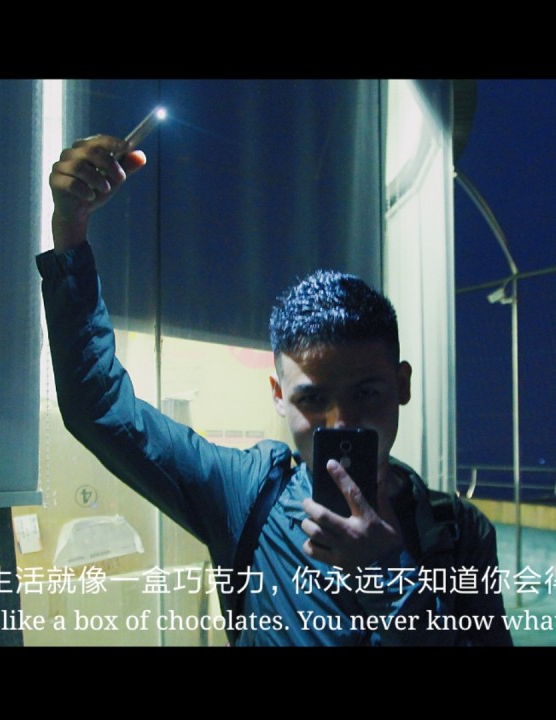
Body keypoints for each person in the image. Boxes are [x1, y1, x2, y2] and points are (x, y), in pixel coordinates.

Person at [36, 134, 513, 647]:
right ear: (279, 396)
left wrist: (387, 579)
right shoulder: (246, 494)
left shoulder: (459, 533)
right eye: (313, 399)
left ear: (402, 385)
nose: (341, 422)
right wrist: (70, 232)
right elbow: (100, 408)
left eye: (366, 393)